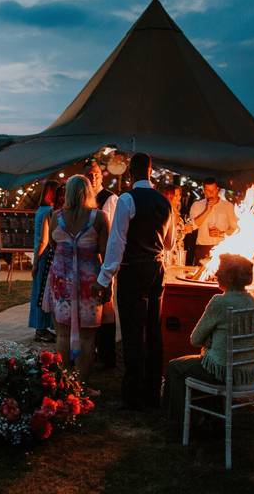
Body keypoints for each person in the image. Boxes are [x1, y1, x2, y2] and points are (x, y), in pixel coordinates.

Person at [97, 152, 173, 409]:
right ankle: (154, 389)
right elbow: (170, 242)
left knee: (131, 330)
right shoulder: (165, 201)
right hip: (157, 268)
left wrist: (104, 277)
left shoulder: (128, 199)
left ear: (131, 173)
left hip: (133, 270)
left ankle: (133, 393)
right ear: (150, 172)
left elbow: (117, 242)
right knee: (153, 329)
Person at [162, 254, 254, 426]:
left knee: (174, 367)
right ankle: (211, 418)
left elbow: (195, 339)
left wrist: (210, 340)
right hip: (245, 370)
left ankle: (178, 422)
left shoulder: (219, 302)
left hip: (221, 370)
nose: (216, 273)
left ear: (229, 277)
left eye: (219, 270)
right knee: (199, 364)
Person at [41, 175, 111, 387]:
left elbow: (54, 245)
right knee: (88, 337)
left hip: (61, 280)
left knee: (61, 334)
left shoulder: (56, 217)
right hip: (90, 282)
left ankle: (64, 384)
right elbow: (105, 251)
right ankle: (80, 385)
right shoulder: (99, 218)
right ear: (89, 192)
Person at [85, 160, 119, 370]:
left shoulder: (109, 198)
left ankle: (107, 355)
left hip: (103, 258)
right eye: (89, 174)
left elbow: (112, 233)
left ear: (102, 176)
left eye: (96, 174)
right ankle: (94, 350)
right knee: (93, 306)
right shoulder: (83, 198)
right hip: (88, 260)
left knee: (106, 305)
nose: (93, 177)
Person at [29, 180, 58, 343]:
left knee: (40, 292)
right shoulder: (49, 211)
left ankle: (41, 327)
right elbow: (43, 241)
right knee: (43, 293)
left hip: (40, 255)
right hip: (45, 256)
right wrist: (36, 262)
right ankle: (41, 328)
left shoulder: (41, 209)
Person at [186, 178, 238, 264]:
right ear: (204, 191)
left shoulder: (228, 206)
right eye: (208, 191)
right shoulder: (197, 205)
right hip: (202, 248)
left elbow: (235, 229)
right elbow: (193, 226)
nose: (211, 194)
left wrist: (221, 233)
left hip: (222, 247)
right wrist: (207, 210)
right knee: (201, 276)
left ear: (217, 190)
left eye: (213, 190)